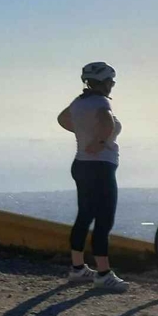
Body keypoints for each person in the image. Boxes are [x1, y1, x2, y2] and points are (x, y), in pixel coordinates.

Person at [56, 62, 129, 292]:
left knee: (84, 216)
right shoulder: (101, 102)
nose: (112, 86)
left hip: (80, 165)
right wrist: (100, 142)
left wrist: (82, 131)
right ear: (105, 82)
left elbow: (62, 119)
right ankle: (103, 274)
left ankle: (77, 268)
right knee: (104, 221)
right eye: (112, 82)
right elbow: (107, 121)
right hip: (101, 167)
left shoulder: (79, 102)